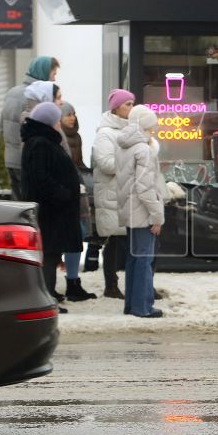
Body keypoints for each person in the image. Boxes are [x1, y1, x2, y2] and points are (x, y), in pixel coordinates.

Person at [19, 102, 82, 313]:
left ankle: (49, 296)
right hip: (50, 211)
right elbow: (40, 178)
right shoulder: (40, 143)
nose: (59, 123)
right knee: (49, 254)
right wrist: (62, 193)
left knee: (53, 254)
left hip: (54, 210)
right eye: (56, 120)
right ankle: (45, 300)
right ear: (48, 122)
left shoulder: (43, 140)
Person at [116, 104, 165, 319]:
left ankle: (131, 305)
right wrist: (157, 216)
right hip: (143, 211)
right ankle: (143, 306)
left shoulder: (124, 146)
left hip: (130, 209)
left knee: (133, 258)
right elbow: (145, 188)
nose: (152, 131)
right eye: (151, 127)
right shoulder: (143, 149)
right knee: (144, 259)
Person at [93, 89, 135, 300]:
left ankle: (138, 284)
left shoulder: (132, 129)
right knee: (115, 241)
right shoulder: (105, 133)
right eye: (128, 104)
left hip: (128, 193)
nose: (131, 107)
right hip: (112, 195)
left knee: (132, 242)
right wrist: (132, 161)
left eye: (132, 103)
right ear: (116, 107)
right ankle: (111, 285)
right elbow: (107, 164)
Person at [2, 56, 58, 199]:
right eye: (53, 74)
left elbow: (2, 126)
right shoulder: (34, 95)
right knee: (32, 208)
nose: (54, 79)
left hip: (11, 159)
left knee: (19, 207)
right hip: (27, 161)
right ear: (44, 72)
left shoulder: (12, 92)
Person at [59, 101, 97, 302]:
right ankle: (70, 280)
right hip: (67, 190)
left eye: (73, 113)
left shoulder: (77, 137)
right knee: (74, 233)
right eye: (67, 114)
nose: (72, 117)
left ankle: (73, 280)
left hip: (78, 188)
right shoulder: (58, 138)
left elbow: (78, 163)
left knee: (79, 233)